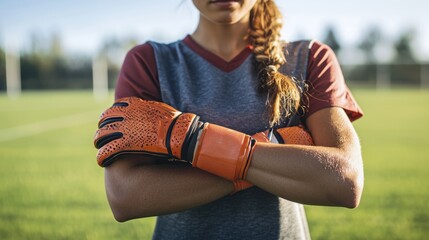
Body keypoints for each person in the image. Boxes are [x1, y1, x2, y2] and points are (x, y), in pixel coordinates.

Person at [94, 0, 364, 239]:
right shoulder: (148, 62)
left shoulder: (311, 58)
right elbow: (125, 196)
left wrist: (193, 140)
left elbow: (344, 182)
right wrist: (273, 153)